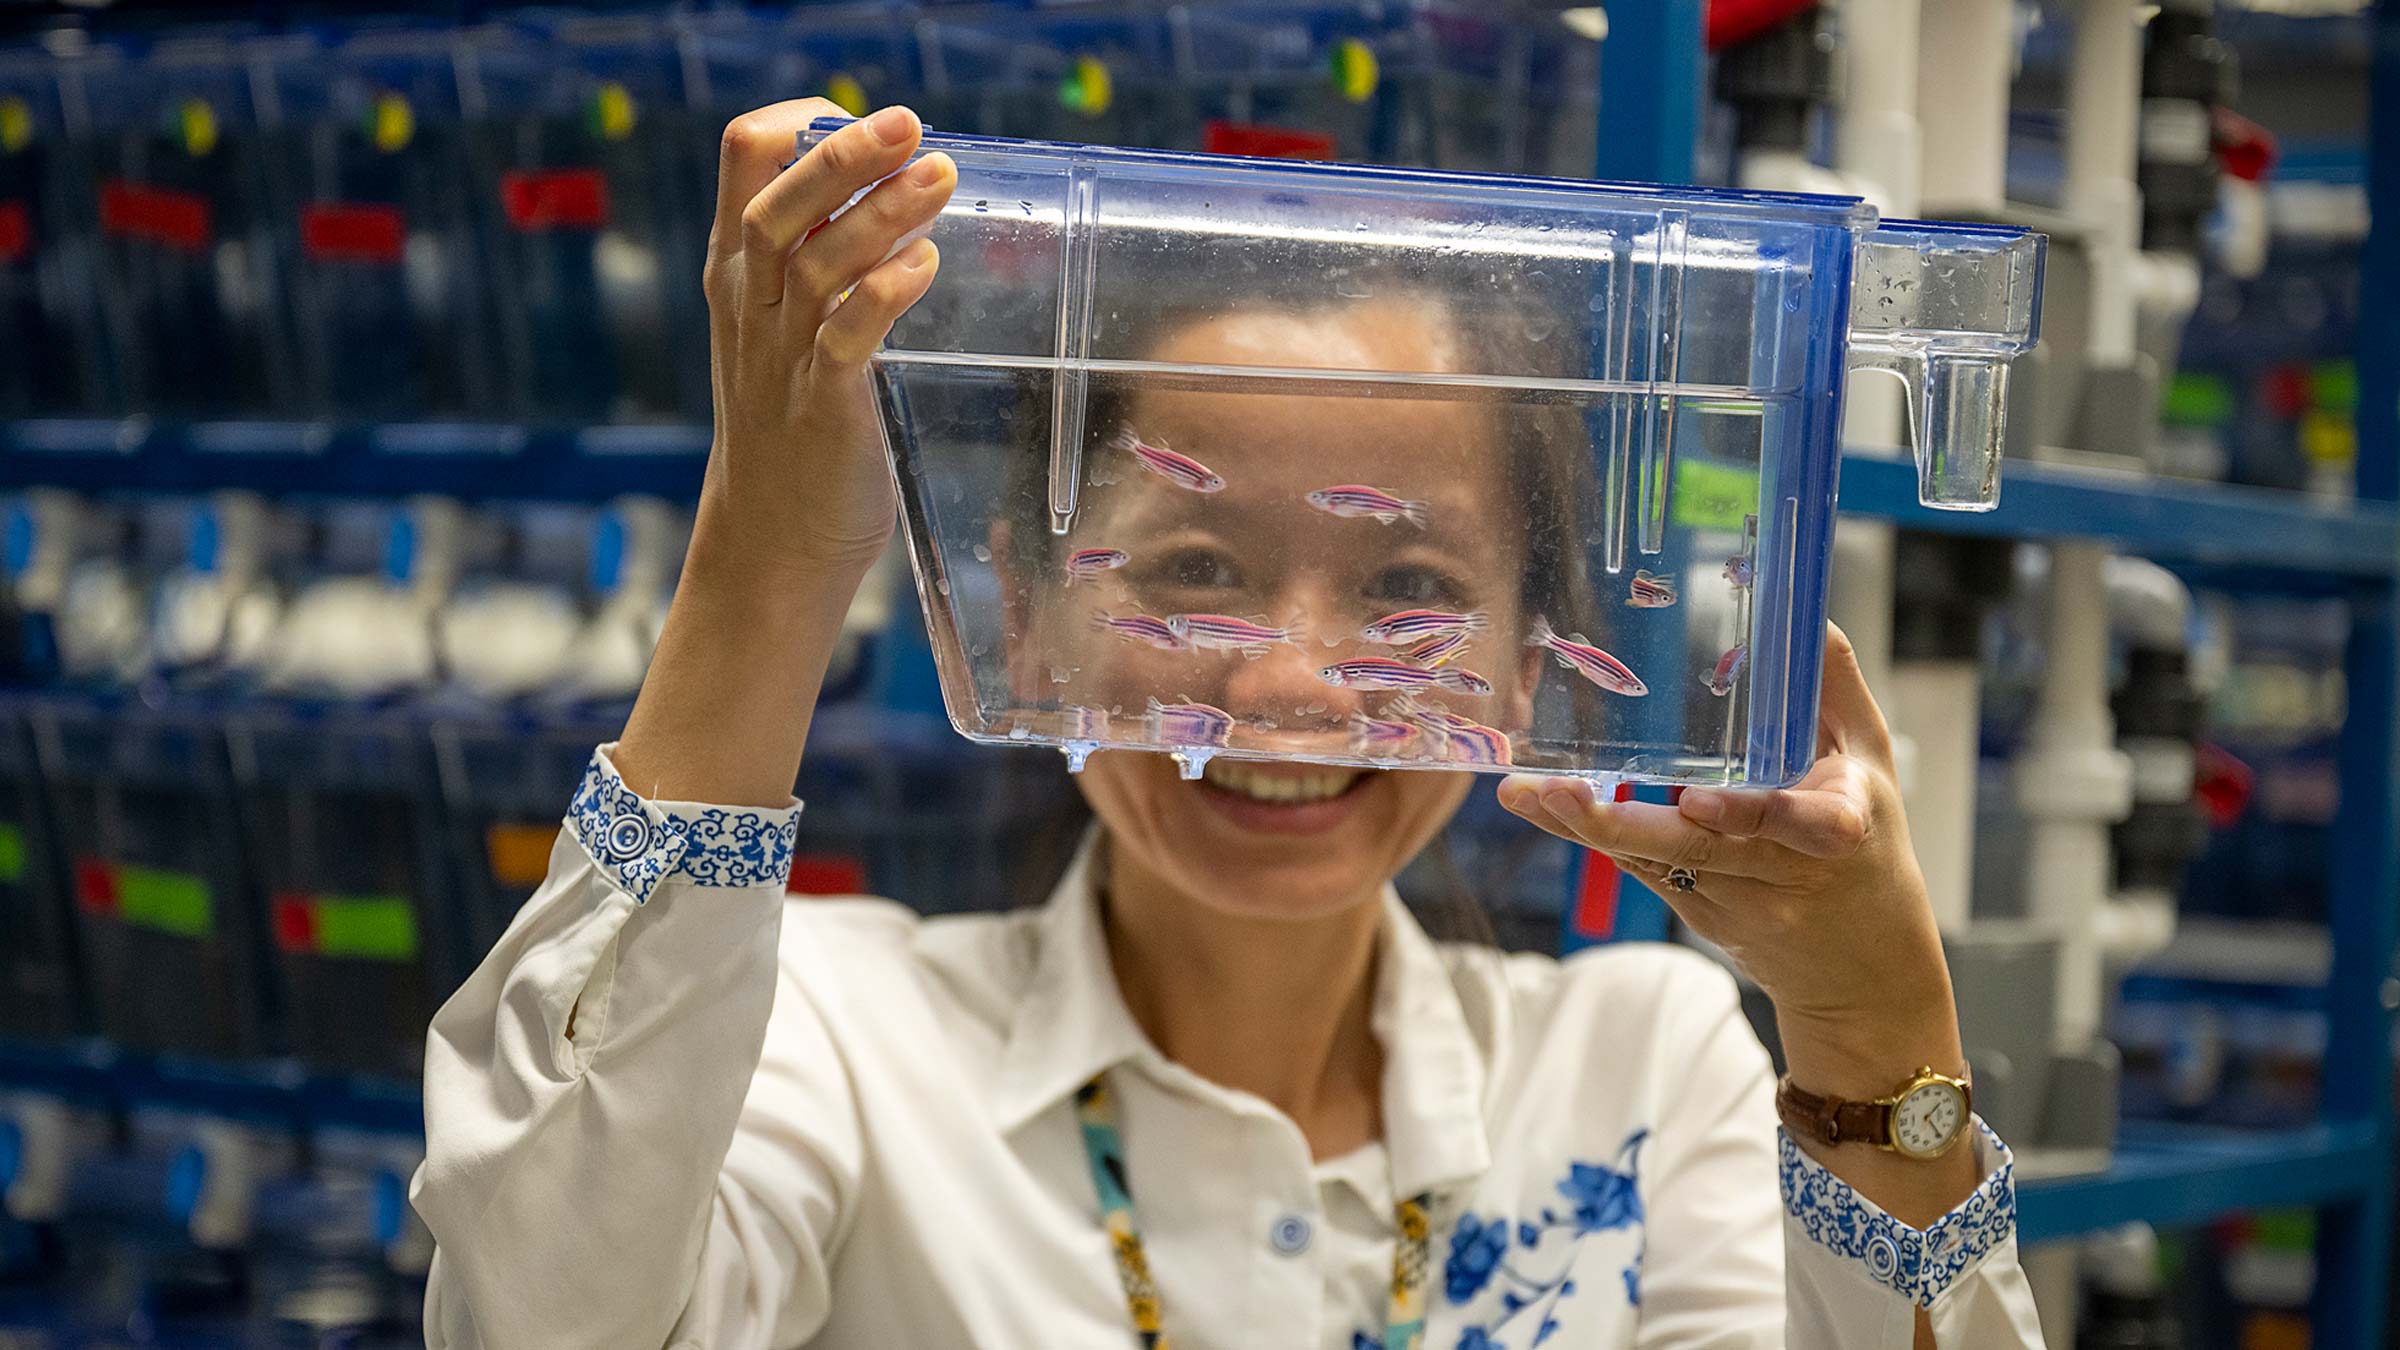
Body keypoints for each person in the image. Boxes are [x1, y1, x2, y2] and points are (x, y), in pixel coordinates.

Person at [412, 101, 2046, 1349]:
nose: (1287, 681)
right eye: (1195, 569)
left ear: (1534, 649)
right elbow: (542, 1313)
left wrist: (1874, 1035)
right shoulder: (843, 1042)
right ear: (1020, 597)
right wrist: (766, 559)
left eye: (1407, 585)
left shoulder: (1637, 1068)